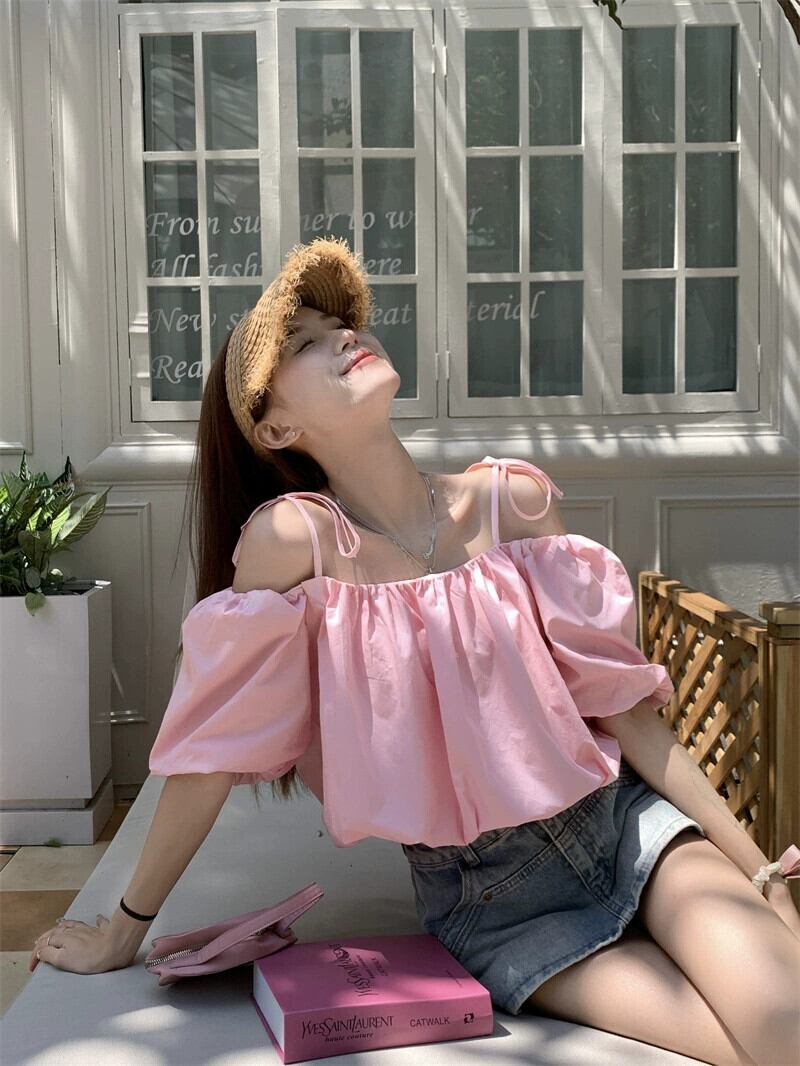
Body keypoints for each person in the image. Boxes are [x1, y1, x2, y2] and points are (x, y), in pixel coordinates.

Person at [31, 237, 800, 1064]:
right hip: (497, 904)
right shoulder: (297, 542)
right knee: (772, 1043)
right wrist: (125, 928)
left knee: (786, 1017)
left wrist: (765, 876)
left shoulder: (511, 503)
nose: (343, 337)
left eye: (341, 325)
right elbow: (211, 752)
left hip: (626, 825)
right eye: (305, 343)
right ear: (276, 425)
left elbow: (630, 719)